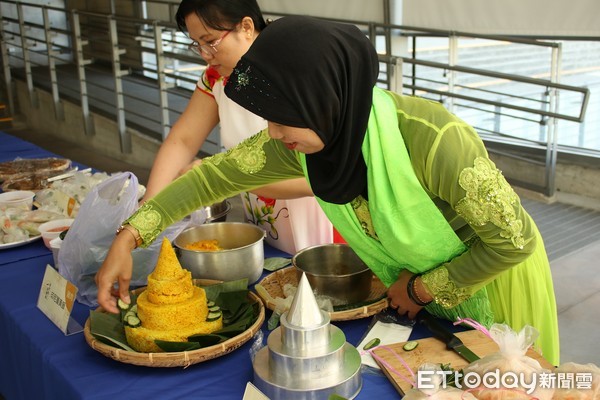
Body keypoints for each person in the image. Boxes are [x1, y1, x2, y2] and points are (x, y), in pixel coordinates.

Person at [96, 15, 560, 365]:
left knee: (504, 381)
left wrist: (419, 289)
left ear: (325, 98)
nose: (273, 134)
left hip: (495, 280)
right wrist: (130, 236)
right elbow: (209, 177)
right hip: (421, 289)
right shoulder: (309, 141)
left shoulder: (434, 140)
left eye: (282, 117)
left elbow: (511, 242)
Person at [141, 0, 336, 254]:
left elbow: (326, 180)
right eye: (196, 44)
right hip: (265, 227)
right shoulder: (217, 78)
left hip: (324, 228)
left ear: (246, 26)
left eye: (210, 41)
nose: (205, 54)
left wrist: (225, 178)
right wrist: (147, 211)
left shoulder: (296, 71)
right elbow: (183, 140)